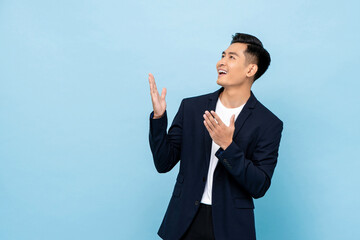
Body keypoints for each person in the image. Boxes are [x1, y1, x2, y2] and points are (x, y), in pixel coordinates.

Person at [148, 33, 283, 240]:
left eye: (232, 57)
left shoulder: (268, 123)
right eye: (223, 55)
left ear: (251, 69)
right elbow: (163, 163)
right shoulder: (191, 108)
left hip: (231, 226)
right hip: (184, 220)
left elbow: (259, 185)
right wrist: (159, 118)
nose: (221, 61)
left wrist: (228, 146)